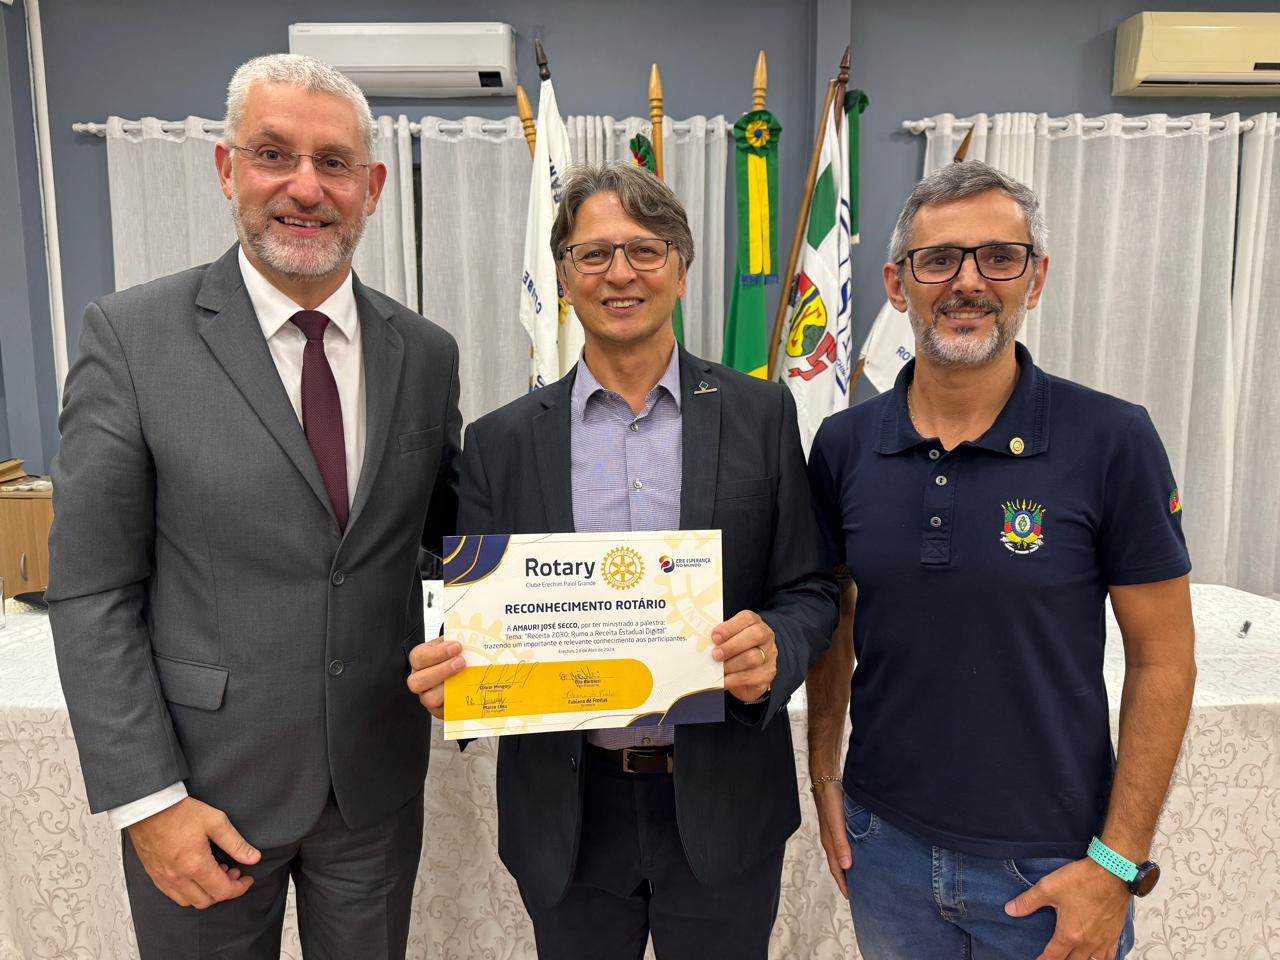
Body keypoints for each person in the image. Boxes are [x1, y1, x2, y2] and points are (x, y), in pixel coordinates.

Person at [47, 53, 460, 959]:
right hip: (203, 797)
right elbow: (92, 590)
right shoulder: (131, 339)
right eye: (274, 154)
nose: (305, 188)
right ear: (227, 169)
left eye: (334, 163)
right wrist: (149, 800)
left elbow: (444, 544)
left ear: (371, 187)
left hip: (374, 793)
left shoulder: (426, 353)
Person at [408, 161, 838, 959]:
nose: (620, 274)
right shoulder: (500, 442)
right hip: (568, 815)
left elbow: (810, 587)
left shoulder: (761, 414)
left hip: (724, 805)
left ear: (681, 268)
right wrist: (452, 675)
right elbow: (471, 614)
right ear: (563, 276)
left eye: (644, 250)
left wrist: (777, 646)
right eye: (593, 253)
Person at [805, 160, 1196, 960]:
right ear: (897, 284)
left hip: (1054, 862)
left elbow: (1165, 658)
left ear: (1035, 278)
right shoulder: (843, 445)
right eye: (939, 260)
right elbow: (830, 619)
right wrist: (823, 776)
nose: (968, 281)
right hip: (885, 851)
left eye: (998, 257)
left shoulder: (1113, 440)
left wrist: (1118, 865)